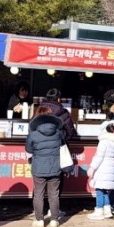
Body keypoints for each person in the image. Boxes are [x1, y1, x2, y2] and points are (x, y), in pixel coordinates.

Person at [38, 88, 77, 218]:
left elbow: (31, 129)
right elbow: (71, 132)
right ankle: (53, 212)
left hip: (40, 151)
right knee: (56, 184)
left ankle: (39, 213)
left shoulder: (39, 110)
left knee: (39, 184)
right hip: (57, 150)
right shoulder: (63, 112)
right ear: (59, 99)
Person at [25, 106, 64, 227]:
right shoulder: (58, 132)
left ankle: (39, 220)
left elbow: (28, 149)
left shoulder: (33, 133)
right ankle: (54, 220)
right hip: (55, 167)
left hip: (39, 167)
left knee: (38, 194)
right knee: (54, 195)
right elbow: (63, 144)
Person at [87, 120, 114, 220]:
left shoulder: (104, 142)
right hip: (111, 166)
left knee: (99, 189)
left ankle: (99, 211)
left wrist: (92, 168)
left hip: (103, 167)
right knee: (105, 190)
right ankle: (107, 210)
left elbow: (99, 156)